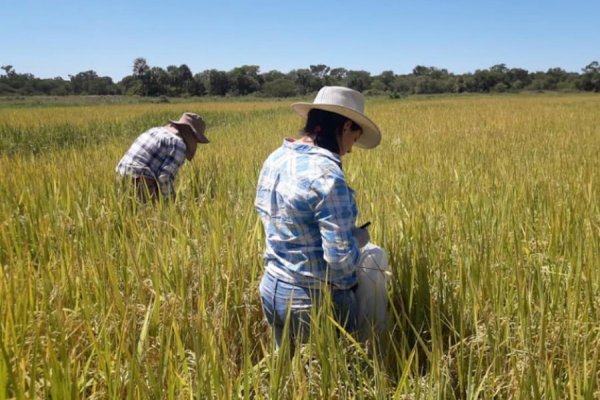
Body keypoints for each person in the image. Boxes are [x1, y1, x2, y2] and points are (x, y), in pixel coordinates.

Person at [255, 86, 382, 353]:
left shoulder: (276, 157)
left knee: (288, 378)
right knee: (332, 380)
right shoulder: (327, 175)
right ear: (346, 126)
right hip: (312, 300)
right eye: (354, 138)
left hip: (271, 288)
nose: (350, 150)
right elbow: (339, 261)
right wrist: (358, 243)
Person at [115, 112, 209, 202]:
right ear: (191, 134)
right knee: (150, 214)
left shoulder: (155, 130)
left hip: (120, 175)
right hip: (141, 181)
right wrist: (171, 200)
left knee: (130, 213)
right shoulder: (178, 144)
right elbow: (164, 177)